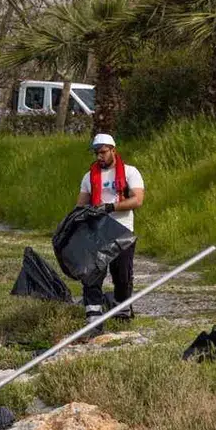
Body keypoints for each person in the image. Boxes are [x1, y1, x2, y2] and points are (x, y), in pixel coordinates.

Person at [76, 133, 144, 328]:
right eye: (96, 153)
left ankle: (122, 309)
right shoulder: (89, 177)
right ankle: (93, 314)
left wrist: (110, 207)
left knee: (122, 274)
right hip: (97, 231)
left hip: (122, 230)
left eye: (103, 152)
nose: (99, 156)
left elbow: (137, 200)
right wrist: (84, 216)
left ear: (113, 150)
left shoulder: (130, 172)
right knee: (93, 272)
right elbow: (80, 205)